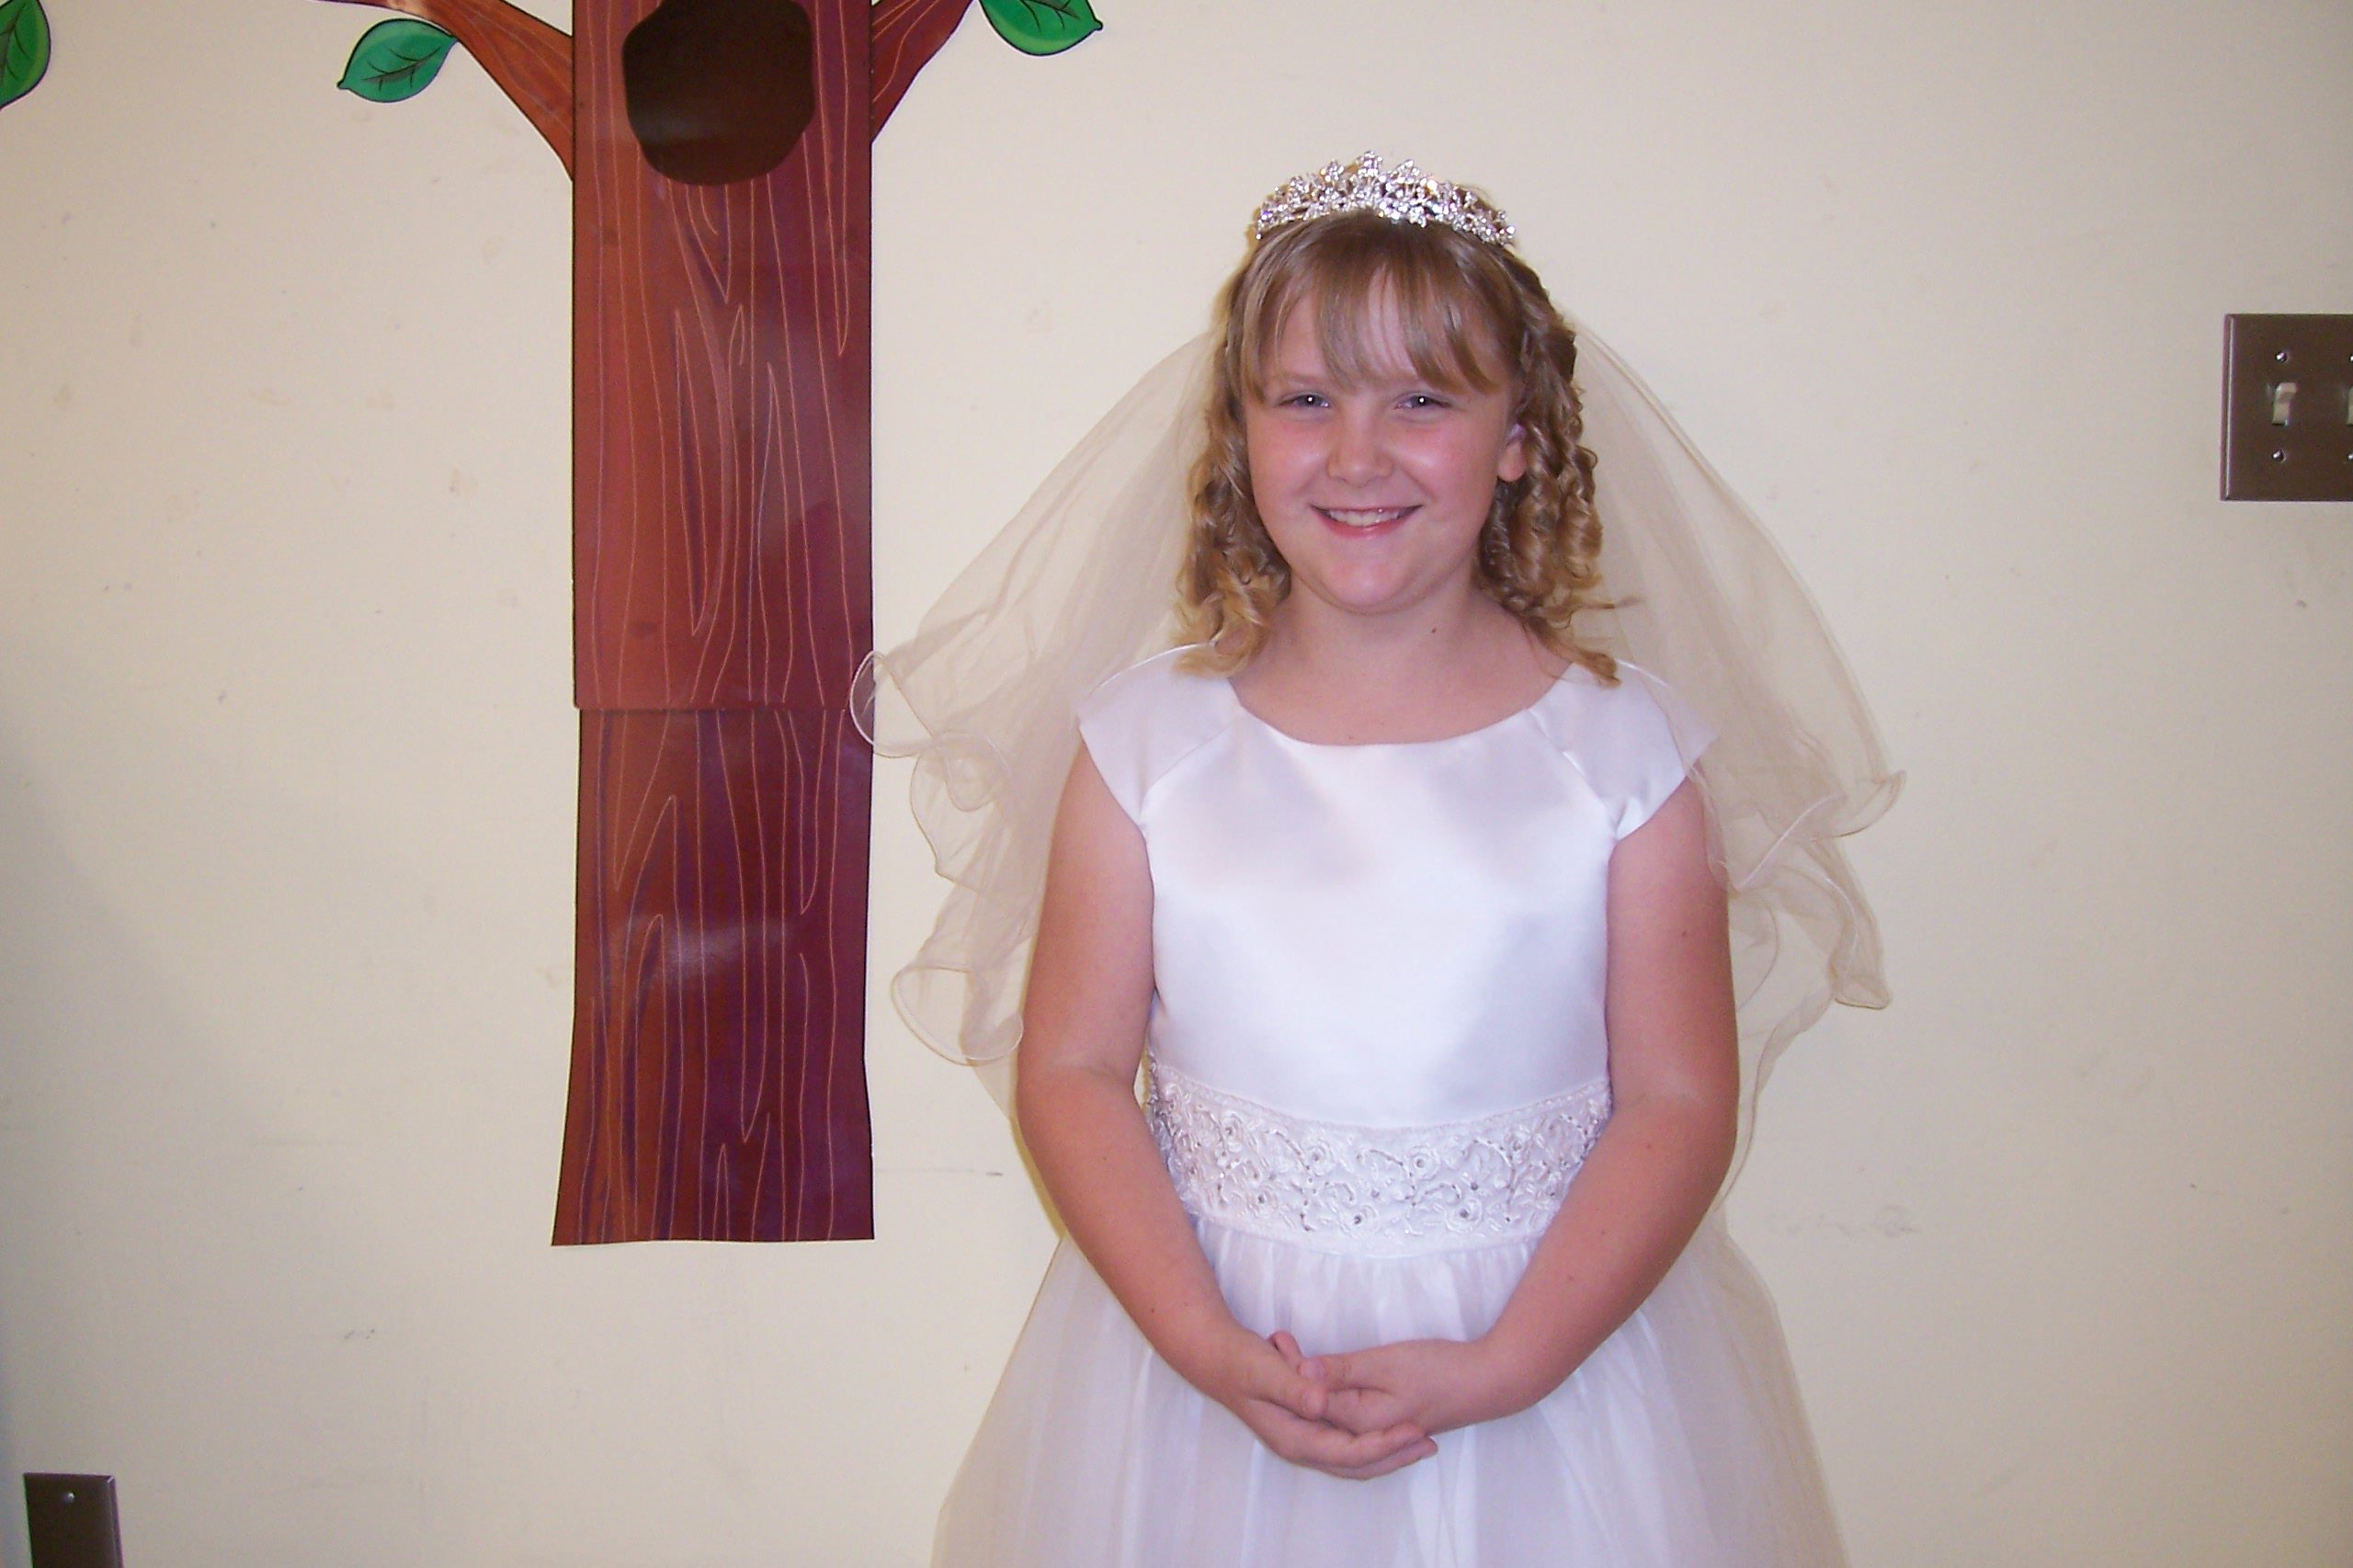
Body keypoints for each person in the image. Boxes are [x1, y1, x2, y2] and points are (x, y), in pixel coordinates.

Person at [867, 154, 1898, 1567]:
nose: (1358, 454)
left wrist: (1509, 1364)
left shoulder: (1624, 760)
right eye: (1306, 400)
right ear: (1240, 432)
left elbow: (1677, 1100)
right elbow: (1073, 1071)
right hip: (1206, 1375)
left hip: (1550, 1376)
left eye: (1422, 399)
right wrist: (1204, 1343)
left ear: (1518, 437)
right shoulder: (1144, 750)